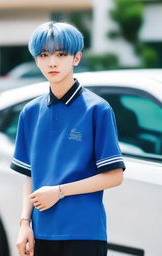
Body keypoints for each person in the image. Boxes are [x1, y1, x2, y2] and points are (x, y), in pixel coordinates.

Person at [10, 21, 125, 256]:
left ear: (76, 58)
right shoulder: (30, 113)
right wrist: (25, 223)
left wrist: (59, 191)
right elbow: (30, 175)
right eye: (44, 54)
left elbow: (115, 176)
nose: (52, 62)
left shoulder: (97, 109)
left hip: (84, 232)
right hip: (41, 233)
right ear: (36, 60)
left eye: (61, 54)